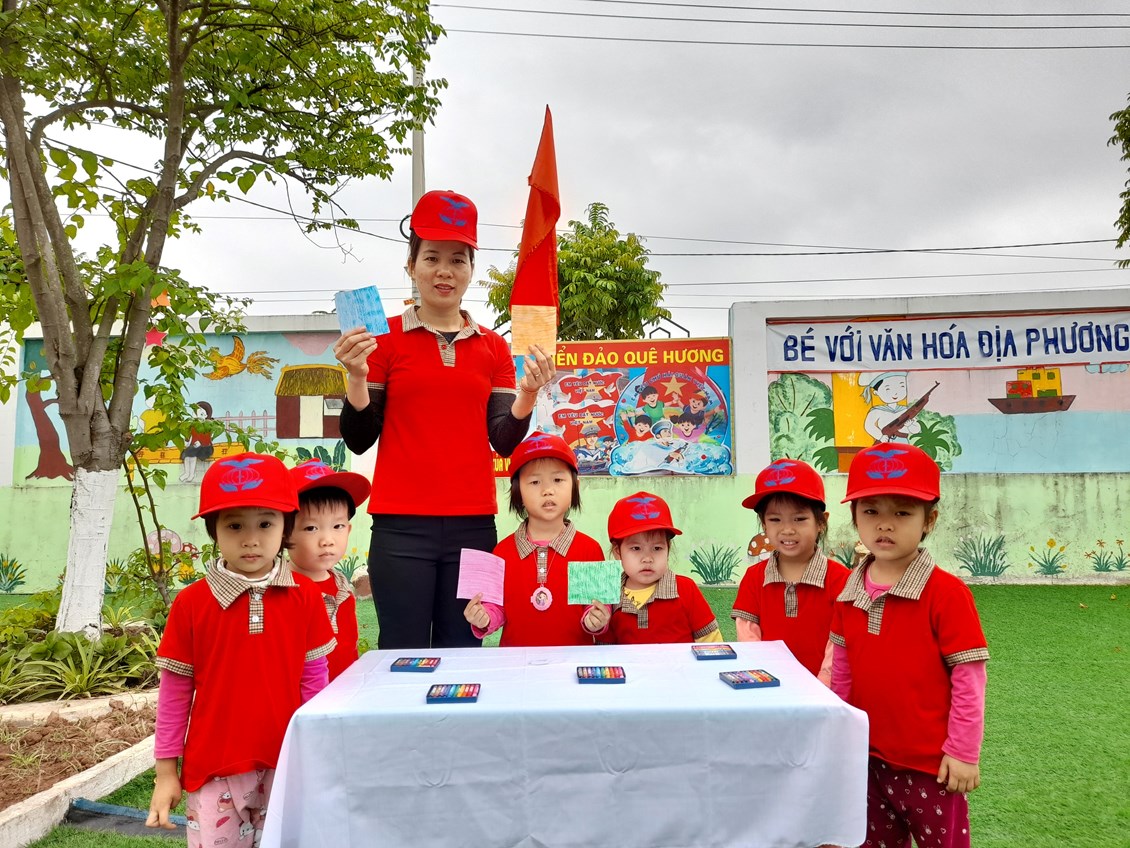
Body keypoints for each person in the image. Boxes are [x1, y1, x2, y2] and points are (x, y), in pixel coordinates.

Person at [333, 190, 556, 649]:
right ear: (411, 265)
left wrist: (528, 394)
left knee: (465, 648)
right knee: (402, 650)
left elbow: (503, 439)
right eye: (431, 257)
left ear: (471, 269)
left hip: (472, 526)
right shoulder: (381, 339)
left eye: (458, 260)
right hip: (399, 527)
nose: (444, 271)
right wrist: (356, 377)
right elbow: (359, 438)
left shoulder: (493, 347)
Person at [146, 454, 335, 843]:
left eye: (265, 524)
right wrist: (165, 772)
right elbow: (174, 693)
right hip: (212, 770)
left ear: (286, 527)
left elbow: (314, 685)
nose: (251, 539)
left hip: (286, 765)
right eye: (234, 525)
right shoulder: (191, 604)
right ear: (214, 530)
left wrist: (319, 754)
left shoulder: (307, 598)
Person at [831, 443, 989, 848]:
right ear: (855, 517)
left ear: (928, 521)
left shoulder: (947, 594)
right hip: (867, 758)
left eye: (902, 512)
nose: (885, 525)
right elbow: (841, 674)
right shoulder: (848, 591)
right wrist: (839, 738)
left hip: (933, 767)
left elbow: (969, 678)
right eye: (871, 511)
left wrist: (963, 752)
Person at [463, 433, 604, 646]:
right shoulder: (502, 551)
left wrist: (597, 620)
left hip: (573, 662)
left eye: (558, 480)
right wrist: (484, 617)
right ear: (518, 492)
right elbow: (496, 609)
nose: (547, 491)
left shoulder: (590, 549)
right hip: (516, 661)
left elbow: (597, 607)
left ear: (575, 485)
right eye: (535, 482)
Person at [731, 458, 850, 685]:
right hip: (768, 688)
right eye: (775, 519)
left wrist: (823, 685)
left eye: (799, 519)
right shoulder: (754, 577)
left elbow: (840, 641)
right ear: (764, 525)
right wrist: (763, 682)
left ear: (821, 522)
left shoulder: (841, 579)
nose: (787, 529)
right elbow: (748, 636)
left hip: (823, 691)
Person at [583, 491, 722, 643]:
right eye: (636, 548)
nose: (647, 558)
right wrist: (595, 623)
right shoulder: (610, 595)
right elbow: (606, 648)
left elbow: (711, 642)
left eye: (657, 548)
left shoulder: (686, 589)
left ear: (668, 549)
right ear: (618, 552)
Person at [286, 458, 372, 680]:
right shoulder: (282, 591)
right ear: (283, 533)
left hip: (345, 691)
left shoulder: (341, 584)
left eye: (337, 526)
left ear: (348, 529)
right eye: (311, 528)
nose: (327, 540)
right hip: (304, 698)